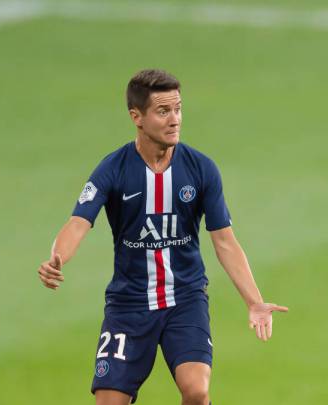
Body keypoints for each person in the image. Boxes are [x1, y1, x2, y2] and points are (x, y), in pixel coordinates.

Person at [36, 69, 288, 405]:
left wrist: (254, 301)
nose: (175, 120)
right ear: (136, 117)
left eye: (178, 109)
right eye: (163, 111)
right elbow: (78, 222)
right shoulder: (113, 169)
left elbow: (225, 241)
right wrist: (57, 258)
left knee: (197, 390)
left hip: (185, 300)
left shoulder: (201, 169)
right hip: (129, 304)